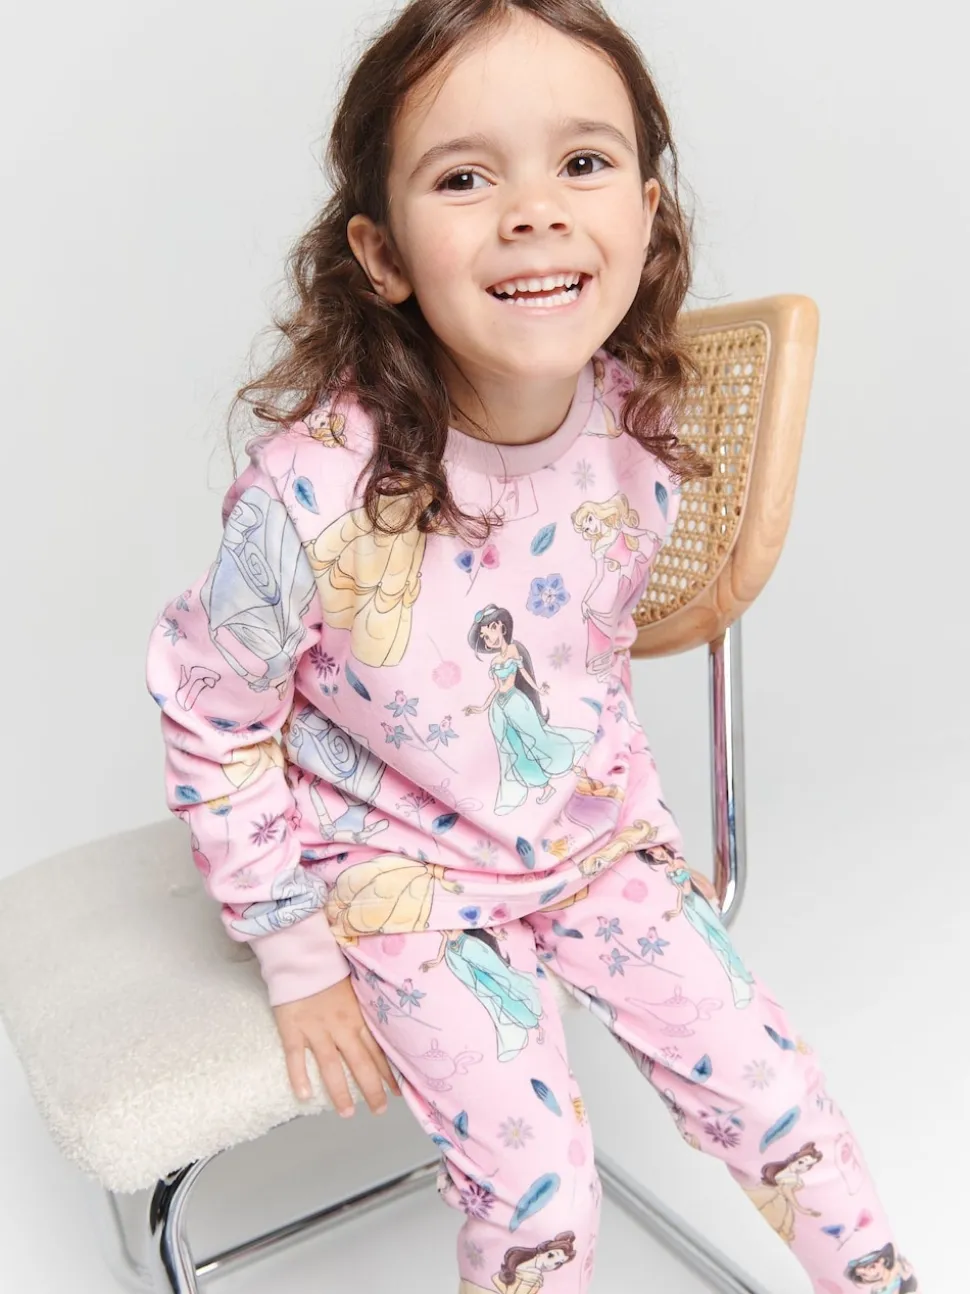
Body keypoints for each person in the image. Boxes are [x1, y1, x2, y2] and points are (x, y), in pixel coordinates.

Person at [145, 2, 920, 1289]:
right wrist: (292, 952)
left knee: (776, 1089)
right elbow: (210, 706)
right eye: (465, 178)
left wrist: (631, 830)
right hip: (400, 872)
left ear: (646, 215)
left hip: (585, 837)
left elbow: (583, 659)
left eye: (582, 161)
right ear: (382, 254)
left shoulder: (637, 426)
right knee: (541, 1191)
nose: (534, 211)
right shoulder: (311, 494)